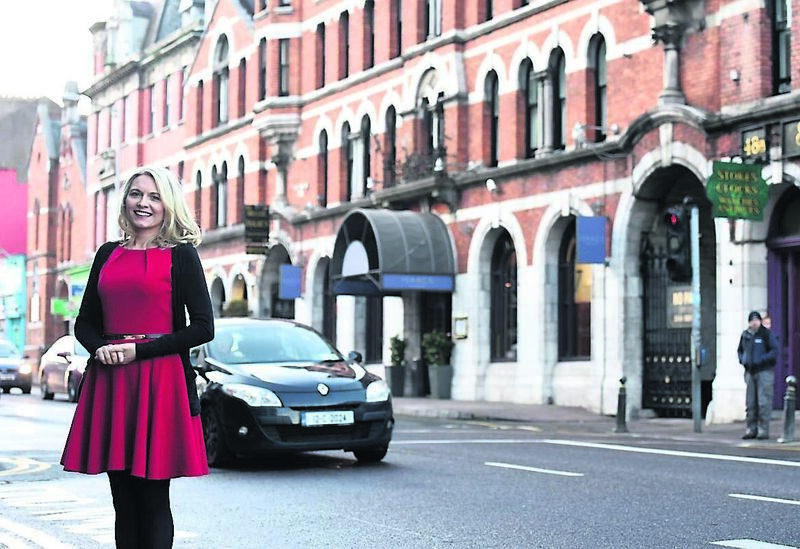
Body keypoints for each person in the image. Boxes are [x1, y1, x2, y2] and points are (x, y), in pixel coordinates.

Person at [61, 167, 214, 549]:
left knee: (152, 497)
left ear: (168, 205)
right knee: (122, 501)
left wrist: (138, 351)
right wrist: (99, 348)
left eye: (154, 196)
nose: (143, 203)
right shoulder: (107, 254)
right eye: (136, 194)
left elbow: (202, 328)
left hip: (159, 382)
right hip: (111, 381)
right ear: (125, 200)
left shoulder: (181, 255)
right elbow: (84, 322)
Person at [736, 310, 777, 440]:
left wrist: (762, 359)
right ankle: (751, 428)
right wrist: (743, 360)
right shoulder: (745, 335)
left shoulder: (766, 334)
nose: (754, 323)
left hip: (764, 371)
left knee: (763, 402)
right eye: (752, 320)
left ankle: (763, 429)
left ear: (760, 321)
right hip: (750, 372)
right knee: (751, 403)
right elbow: (740, 351)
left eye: (756, 320)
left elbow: (774, 351)